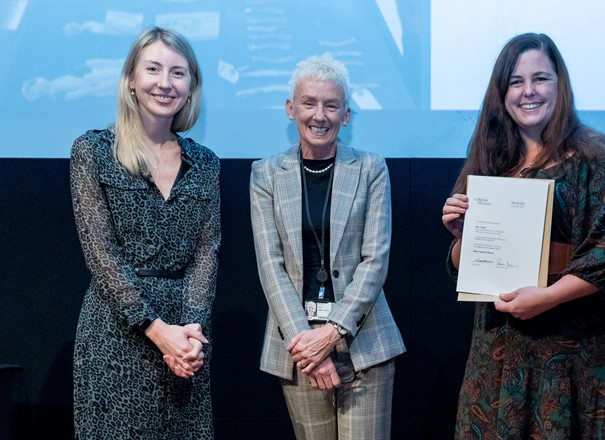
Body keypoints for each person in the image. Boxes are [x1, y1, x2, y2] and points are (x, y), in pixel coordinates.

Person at [442, 33, 605, 439]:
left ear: (559, 84)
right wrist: (463, 236)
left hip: (576, 354)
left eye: (540, 79)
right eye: (515, 81)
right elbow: (466, 266)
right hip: (501, 353)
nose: (528, 91)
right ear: (502, 92)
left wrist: (546, 299)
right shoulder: (489, 157)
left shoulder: (598, 155)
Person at [70, 27, 220, 439]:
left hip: (185, 347)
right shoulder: (94, 150)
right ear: (131, 81)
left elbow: (207, 253)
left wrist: (189, 335)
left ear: (191, 87)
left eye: (178, 72)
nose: (165, 83)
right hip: (118, 332)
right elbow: (100, 252)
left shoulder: (206, 163)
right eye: (153, 69)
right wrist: (157, 330)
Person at [250, 54, 405, 439]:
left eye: (331, 105)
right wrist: (309, 345)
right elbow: (271, 266)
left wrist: (331, 333)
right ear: (291, 109)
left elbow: (376, 260)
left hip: (365, 344)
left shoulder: (371, 168)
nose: (320, 115)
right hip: (297, 348)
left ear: (346, 115)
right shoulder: (265, 173)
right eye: (309, 103)